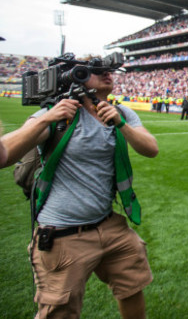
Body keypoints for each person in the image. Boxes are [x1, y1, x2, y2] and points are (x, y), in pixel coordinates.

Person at [0, 61, 158, 319]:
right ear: (77, 77)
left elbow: (151, 149)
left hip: (109, 225)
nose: (107, 73)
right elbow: (5, 154)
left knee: (133, 287)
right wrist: (48, 118)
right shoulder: (56, 114)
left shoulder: (122, 113)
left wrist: (121, 125)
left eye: (108, 69)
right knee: (58, 310)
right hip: (63, 233)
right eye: (96, 70)